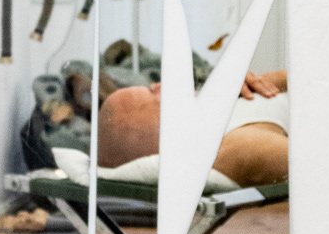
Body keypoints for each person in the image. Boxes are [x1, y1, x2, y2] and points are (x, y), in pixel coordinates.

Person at [98, 69, 288, 187]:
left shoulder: (222, 102)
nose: (159, 85)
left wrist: (269, 79)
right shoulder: (241, 146)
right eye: (152, 92)